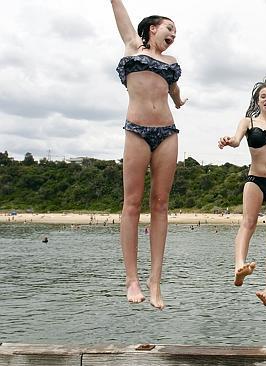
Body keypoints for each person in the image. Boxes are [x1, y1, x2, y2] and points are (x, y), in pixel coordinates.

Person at [111, 0, 187, 309]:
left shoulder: (171, 61)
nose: (173, 34)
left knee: (161, 203)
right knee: (131, 203)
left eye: (176, 31)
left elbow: (174, 91)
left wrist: (180, 101)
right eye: (170, 28)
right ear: (153, 28)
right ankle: (132, 280)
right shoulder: (133, 47)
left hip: (167, 132)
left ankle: (155, 282)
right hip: (137, 130)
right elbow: (120, 13)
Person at [218, 76, 266, 306]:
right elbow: (235, 140)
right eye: (263, 96)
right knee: (248, 223)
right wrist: (227, 140)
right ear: (257, 100)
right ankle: (239, 266)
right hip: (254, 179)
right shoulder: (248, 121)